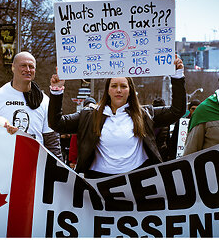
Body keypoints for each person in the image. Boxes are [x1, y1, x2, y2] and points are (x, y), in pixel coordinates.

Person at [48, 57, 186, 178]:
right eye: (114, 86)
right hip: (98, 183)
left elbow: (177, 111)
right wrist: (56, 91)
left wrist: (178, 77)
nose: (118, 90)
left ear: (130, 90)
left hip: (138, 181)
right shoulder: (89, 115)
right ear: (107, 90)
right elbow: (57, 123)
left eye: (123, 86)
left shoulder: (145, 114)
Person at [0, 51, 62, 160]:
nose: (27, 70)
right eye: (23, 65)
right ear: (13, 68)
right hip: (3, 162)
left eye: (31, 66)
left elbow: (52, 143)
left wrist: (57, 172)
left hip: (34, 164)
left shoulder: (44, 101)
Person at [68, 96, 97, 169]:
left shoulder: (81, 119)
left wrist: (72, 160)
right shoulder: (99, 120)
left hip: (86, 160)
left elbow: (73, 144)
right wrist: (73, 160)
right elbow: (74, 143)